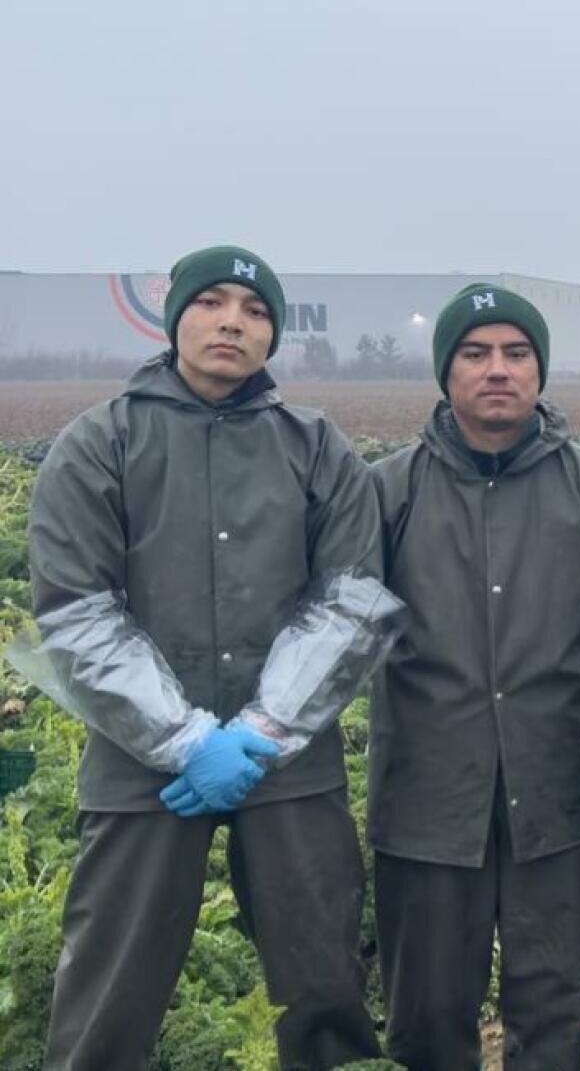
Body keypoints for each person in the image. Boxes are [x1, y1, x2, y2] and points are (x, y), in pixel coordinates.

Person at [23, 245, 397, 1070]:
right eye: (213, 303)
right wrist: (186, 738)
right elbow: (78, 611)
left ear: (273, 334)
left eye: (255, 310)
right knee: (110, 982)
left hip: (288, 765)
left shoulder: (315, 445)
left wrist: (263, 727)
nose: (233, 321)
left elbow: (352, 597)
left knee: (323, 976)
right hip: (139, 764)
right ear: (176, 316)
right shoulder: (99, 443)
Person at [367, 284, 580, 1068]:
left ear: (540, 372)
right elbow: (337, 630)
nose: (497, 371)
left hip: (555, 789)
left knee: (550, 1005)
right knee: (426, 1010)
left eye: (516, 354)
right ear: (446, 373)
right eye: (475, 354)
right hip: (427, 795)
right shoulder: (389, 490)